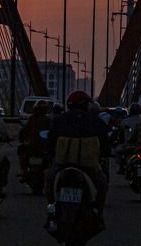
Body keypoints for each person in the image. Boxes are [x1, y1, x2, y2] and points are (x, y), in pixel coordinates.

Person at [46, 90, 111, 222]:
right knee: (102, 185)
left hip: (62, 163)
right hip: (88, 165)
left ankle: (51, 210)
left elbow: (51, 141)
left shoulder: (60, 120)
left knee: (49, 181)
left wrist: (51, 154)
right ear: (85, 105)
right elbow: (105, 141)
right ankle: (98, 214)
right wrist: (105, 153)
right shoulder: (95, 121)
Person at [18, 99, 52, 173]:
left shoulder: (32, 119)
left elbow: (24, 131)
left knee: (20, 150)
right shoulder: (47, 120)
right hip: (42, 147)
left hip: (34, 146)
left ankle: (23, 170)